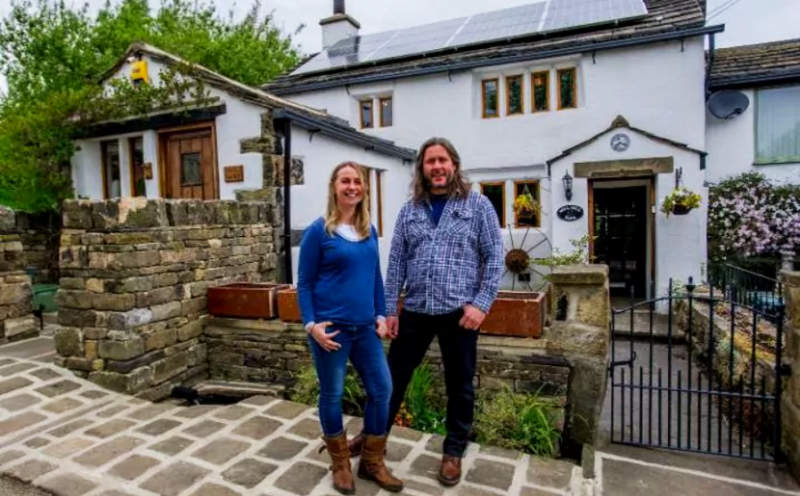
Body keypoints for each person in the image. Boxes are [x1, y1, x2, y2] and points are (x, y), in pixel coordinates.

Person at [349, 137, 503, 486]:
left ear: (454, 165)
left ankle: (453, 451)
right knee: (390, 380)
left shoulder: (478, 206)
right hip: (416, 310)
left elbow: (495, 258)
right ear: (422, 168)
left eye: (442, 160)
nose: (436, 167)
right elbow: (397, 263)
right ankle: (374, 437)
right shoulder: (409, 211)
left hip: (459, 313)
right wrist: (389, 310)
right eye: (430, 161)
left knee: (460, 384)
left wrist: (481, 305)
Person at [297, 161, 403, 494]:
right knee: (332, 394)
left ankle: (371, 462)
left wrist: (381, 314)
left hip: (365, 330)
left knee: (382, 389)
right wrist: (311, 324)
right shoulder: (319, 232)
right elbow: (304, 283)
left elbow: (375, 276)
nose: (352, 186)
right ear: (334, 187)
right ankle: (341, 463)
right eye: (346, 181)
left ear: (364, 188)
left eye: (357, 181)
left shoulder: (369, 229)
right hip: (332, 331)